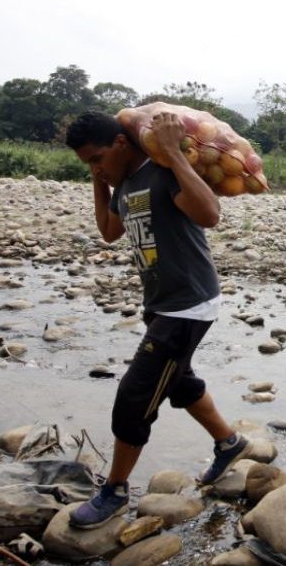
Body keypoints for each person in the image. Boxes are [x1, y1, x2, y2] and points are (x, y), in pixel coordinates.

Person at [63, 111, 251, 529]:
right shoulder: (125, 183)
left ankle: (114, 491)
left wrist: (173, 154)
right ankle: (229, 442)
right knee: (177, 380)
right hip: (162, 303)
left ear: (121, 143)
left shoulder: (162, 171)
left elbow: (210, 214)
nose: (96, 168)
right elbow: (110, 230)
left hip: (188, 303)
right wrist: (98, 180)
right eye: (87, 164)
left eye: (97, 159)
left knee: (135, 397)